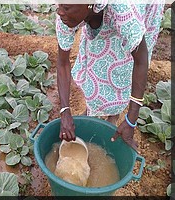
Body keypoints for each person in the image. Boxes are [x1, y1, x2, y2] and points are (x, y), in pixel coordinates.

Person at [56, 1, 164, 151]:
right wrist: (65, 111)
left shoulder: (122, 12)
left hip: (140, 6)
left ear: (89, 5)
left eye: (65, 8)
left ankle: (113, 116)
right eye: (59, 5)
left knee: (124, 64)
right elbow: (63, 64)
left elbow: (141, 60)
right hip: (99, 14)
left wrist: (131, 119)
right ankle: (93, 111)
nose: (59, 12)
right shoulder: (66, 13)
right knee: (97, 58)